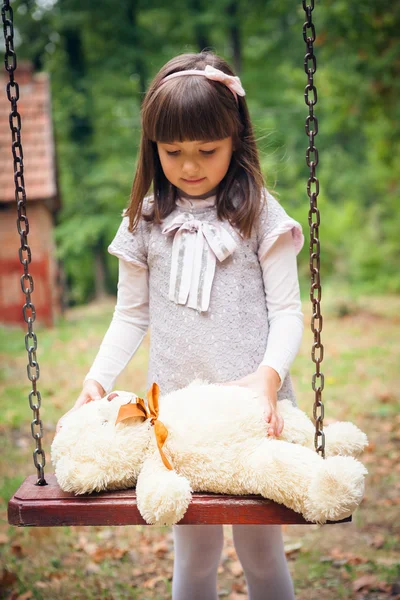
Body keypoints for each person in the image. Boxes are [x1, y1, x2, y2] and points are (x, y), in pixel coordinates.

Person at [56, 50, 304, 600]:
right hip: (180, 419)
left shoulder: (260, 212)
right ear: (154, 148)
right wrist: (96, 380)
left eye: (207, 151)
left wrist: (268, 377)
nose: (190, 166)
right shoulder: (145, 219)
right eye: (173, 152)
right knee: (194, 553)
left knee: (261, 553)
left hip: (249, 414)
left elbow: (289, 312)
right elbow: (131, 314)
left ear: (235, 140)